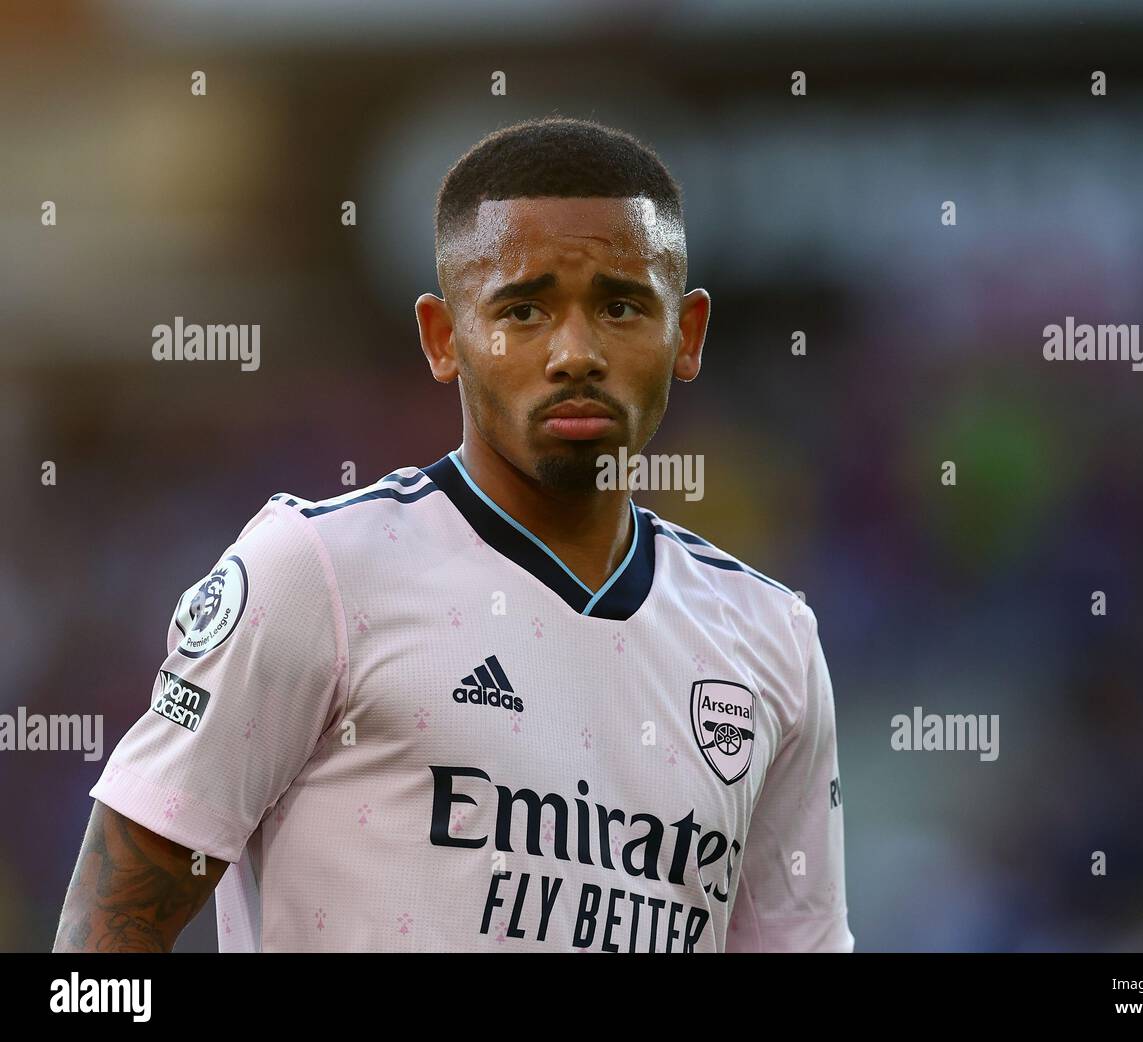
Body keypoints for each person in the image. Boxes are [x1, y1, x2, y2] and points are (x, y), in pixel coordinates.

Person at [54, 117, 853, 952]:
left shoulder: (771, 642)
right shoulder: (317, 575)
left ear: (685, 335)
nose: (575, 353)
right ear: (444, 338)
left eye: (620, 306)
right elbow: (104, 937)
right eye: (525, 309)